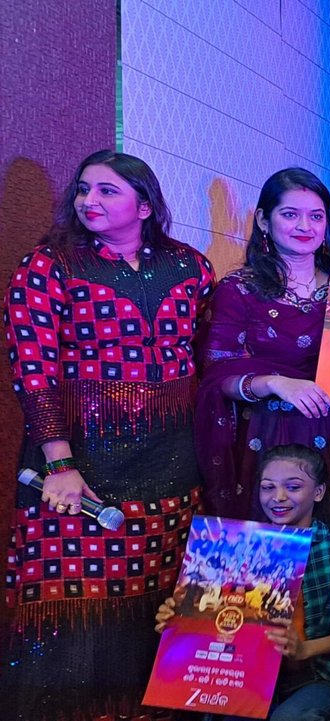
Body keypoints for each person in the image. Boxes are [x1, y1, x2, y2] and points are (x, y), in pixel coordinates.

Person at [2, 150, 215, 718]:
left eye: (106, 191)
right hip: (79, 466)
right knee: (72, 602)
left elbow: (205, 358)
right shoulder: (48, 267)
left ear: (144, 206)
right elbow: (33, 370)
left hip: (171, 463)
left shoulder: (192, 268)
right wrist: (59, 464)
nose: (88, 201)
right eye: (83, 189)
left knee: (161, 596)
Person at [196, 167, 330, 557]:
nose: (305, 226)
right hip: (273, 440)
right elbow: (217, 374)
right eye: (290, 214)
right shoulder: (238, 290)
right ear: (263, 220)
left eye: (316, 216)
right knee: (269, 569)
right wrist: (274, 383)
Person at [157, 444, 330, 719]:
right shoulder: (234, 546)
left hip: (322, 675)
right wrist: (179, 622)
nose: (278, 497)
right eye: (268, 487)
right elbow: (216, 620)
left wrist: (304, 649)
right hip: (243, 673)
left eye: (293, 487)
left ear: (318, 492)